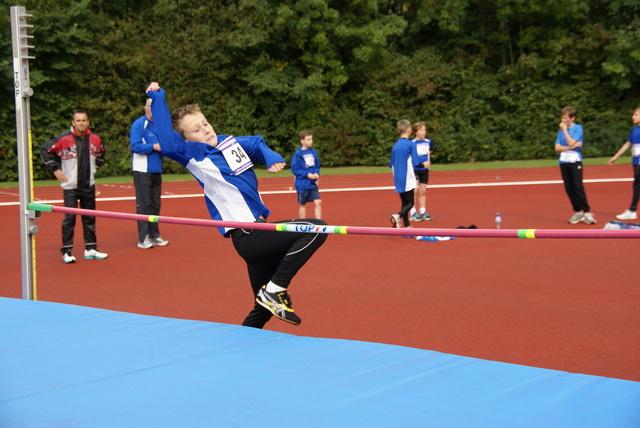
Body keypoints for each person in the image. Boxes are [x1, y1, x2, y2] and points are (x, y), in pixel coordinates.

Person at [145, 82, 327, 328]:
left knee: (262, 310)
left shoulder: (227, 143)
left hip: (257, 231)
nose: (206, 130)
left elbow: (255, 144)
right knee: (316, 229)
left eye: (205, 123)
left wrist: (270, 155)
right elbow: (167, 142)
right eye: (196, 130)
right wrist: (158, 97)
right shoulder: (194, 154)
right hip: (247, 233)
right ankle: (276, 288)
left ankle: (246, 337)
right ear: (187, 139)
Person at [40, 109, 109, 263]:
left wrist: (97, 165)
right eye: (78, 121)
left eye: (84, 120)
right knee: (69, 218)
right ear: (73, 123)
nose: (81, 123)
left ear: (88, 122)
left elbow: (102, 152)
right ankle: (67, 251)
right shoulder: (64, 139)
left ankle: (90, 248)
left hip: (88, 185)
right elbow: (44, 150)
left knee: (90, 217)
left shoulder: (95, 139)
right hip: (70, 186)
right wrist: (55, 169)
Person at [130, 98, 170, 249]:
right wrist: (154, 146)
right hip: (142, 170)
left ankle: (155, 235)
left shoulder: (160, 126)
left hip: (156, 170)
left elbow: (165, 145)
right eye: (150, 106)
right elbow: (135, 146)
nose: (152, 109)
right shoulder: (139, 124)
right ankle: (143, 237)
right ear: (145, 107)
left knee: (155, 204)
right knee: (144, 204)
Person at [554, 106, 596, 225]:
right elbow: (557, 147)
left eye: (566, 118)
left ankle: (587, 211)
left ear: (572, 118)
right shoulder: (559, 132)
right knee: (569, 188)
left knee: (578, 186)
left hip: (575, 160)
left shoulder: (578, 128)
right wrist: (569, 147)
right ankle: (577, 211)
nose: (563, 121)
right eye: (562, 118)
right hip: (564, 161)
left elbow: (572, 141)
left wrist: (565, 131)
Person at [608, 107, 640, 220]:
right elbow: (627, 144)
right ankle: (632, 209)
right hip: (636, 162)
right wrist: (615, 157)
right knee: (637, 186)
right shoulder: (634, 130)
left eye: (636, 115)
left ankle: (632, 209)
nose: (633, 117)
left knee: (637, 186)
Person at [389, 119, 416, 229]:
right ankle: (398, 215)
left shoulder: (395, 145)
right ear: (409, 130)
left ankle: (407, 226)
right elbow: (416, 161)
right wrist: (424, 165)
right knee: (410, 203)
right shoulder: (410, 144)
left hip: (397, 176)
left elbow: (391, 163)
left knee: (404, 202)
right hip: (407, 176)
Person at [291, 130, 322, 219]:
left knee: (318, 202)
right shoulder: (298, 154)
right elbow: (295, 169)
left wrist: (316, 173)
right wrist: (307, 174)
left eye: (311, 139)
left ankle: (319, 223)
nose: (311, 141)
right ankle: (302, 223)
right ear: (302, 141)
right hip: (302, 184)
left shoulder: (313, 152)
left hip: (312, 183)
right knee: (303, 204)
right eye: (308, 139)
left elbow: (317, 165)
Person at [409, 121, 434, 222]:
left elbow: (431, 150)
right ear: (415, 132)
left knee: (423, 191)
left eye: (424, 130)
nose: (423, 132)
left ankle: (423, 211)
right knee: (414, 191)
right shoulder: (412, 143)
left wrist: (427, 159)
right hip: (415, 169)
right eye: (421, 130)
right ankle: (413, 212)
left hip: (425, 170)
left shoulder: (428, 141)